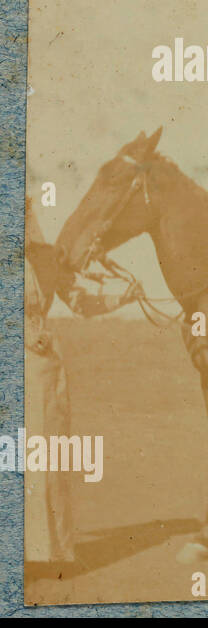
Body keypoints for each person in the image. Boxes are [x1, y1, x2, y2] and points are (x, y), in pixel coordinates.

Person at [25, 196, 140, 573]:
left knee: (47, 457)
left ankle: (49, 552)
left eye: (26, 207)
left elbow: (79, 300)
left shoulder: (45, 258)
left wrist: (121, 298)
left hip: (43, 371)